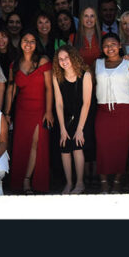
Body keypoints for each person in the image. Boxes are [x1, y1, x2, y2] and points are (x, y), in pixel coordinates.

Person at [6, 31, 53, 193]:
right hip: (22, 110)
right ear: (20, 42)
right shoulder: (15, 64)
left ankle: (27, 180)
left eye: (32, 41)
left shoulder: (43, 60)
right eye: (25, 40)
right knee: (21, 145)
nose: (28, 44)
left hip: (40, 109)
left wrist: (49, 111)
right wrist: (7, 112)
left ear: (36, 43)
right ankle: (21, 181)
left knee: (36, 143)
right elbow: (11, 89)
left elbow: (49, 88)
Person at [94, 33, 129, 193]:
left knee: (123, 146)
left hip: (125, 109)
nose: (110, 47)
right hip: (103, 110)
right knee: (102, 145)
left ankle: (118, 181)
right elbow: (89, 83)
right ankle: (104, 181)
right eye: (106, 45)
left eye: (113, 44)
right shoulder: (97, 63)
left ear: (120, 45)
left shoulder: (128, 63)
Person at [52, 45, 93, 194]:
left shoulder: (85, 75)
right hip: (65, 117)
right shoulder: (57, 76)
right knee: (64, 148)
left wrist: (80, 129)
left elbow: (86, 103)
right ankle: (69, 183)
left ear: (73, 57)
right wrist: (62, 128)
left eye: (66, 58)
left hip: (82, 116)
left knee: (77, 146)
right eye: (60, 59)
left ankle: (80, 183)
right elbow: (58, 103)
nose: (64, 61)